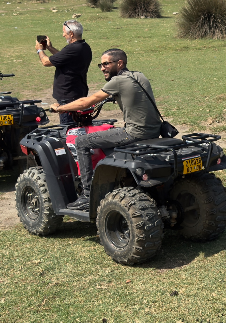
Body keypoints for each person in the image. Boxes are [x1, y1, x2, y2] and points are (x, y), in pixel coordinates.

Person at [50, 48, 161, 210]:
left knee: (81, 142)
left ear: (120, 63)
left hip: (134, 133)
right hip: (154, 131)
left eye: (106, 64)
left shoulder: (117, 82)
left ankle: (87, 195)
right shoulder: (139, 76)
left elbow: (86, 103)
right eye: (100, 65)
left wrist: (60, 108)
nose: (102, 68)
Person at [36, 20, 92, 125]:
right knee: (78, 125)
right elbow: (62, 58)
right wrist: (50, 48)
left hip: (68, 95)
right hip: (77, 91)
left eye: (64, 32)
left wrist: (40, 50)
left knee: (68, 127)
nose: (63, 35)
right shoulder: (84, 46)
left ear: (71, 34)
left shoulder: (73, 48)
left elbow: (46, 62)